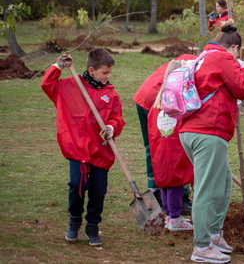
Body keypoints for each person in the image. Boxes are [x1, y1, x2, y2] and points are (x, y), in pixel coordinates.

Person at [178, 26, 244, 263]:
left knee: (222, 182)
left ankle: (213, 234)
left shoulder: (203, 57)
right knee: (207, 189)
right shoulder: (222, 57)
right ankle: (201, 247)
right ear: (235, 48)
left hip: (192, 130)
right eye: (237, 53)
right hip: (208, 131)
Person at [41, 48, 125, 247]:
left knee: (98, 190)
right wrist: (57, 67)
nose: (108, 76)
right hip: (77, 149)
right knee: (77, 186)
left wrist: (112, 127)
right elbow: (47, 84)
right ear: (92, 70)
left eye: (109, 72)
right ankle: (74, 221)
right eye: (105, 72)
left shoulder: (110, 94)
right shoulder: (70, 86)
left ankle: (93, 226)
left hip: (100, 152)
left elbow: (117, 118)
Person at [132, 54, 196, 210]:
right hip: (159, 101)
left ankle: (156, 189)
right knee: (173, 148)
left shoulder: (191, 59)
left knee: (154, 146)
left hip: (149, 97)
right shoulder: (195, 66)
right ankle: (175, 195)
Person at [148, 107, 194, 231]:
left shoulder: (154, 109)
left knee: (165, 183)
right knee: (175, 182)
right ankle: (175, 219)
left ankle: (169, 216)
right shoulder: (178, 108)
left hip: (160, 150)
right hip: (175, 150)